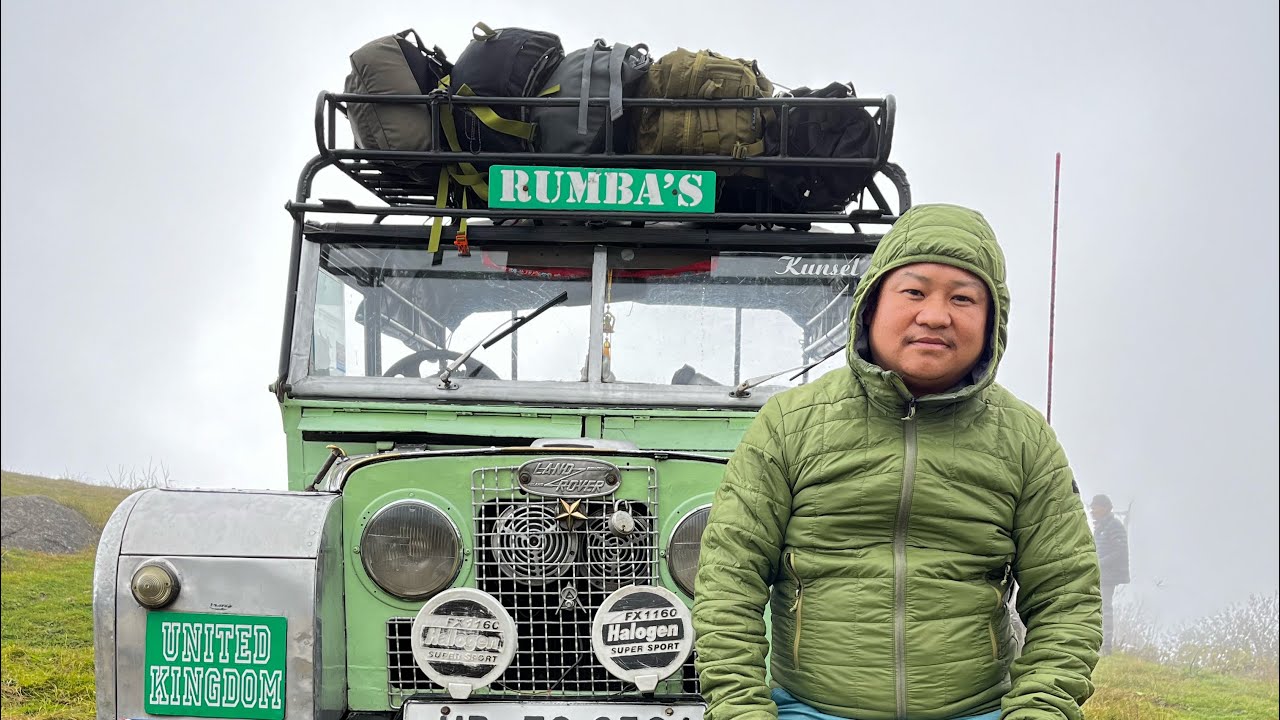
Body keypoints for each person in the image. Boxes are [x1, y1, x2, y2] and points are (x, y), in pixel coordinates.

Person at [692, 204, 1102, 720]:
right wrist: (740, 710)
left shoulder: (1026, 441)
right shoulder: (787, 425)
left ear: (993, 320)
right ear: (871, 303)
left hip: (977, 712)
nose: (935, 315)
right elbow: (729, 579)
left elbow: (1067, 598)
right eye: (914, 291)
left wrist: (1039, 711)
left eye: (963, 298)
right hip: (809, 711)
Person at [1089, 493, 1130, 655]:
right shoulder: (1101, 527)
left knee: (1105, 609)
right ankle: (1097, 643)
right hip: (1100, 574)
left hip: (1109, 575)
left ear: (1105, 508)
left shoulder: (1114, 526)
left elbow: (1119, 551)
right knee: (1097, 609)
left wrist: (1099, 563)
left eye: (1095, 507)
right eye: (1091, 507)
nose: (1092, 510)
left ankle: (1106, 646)